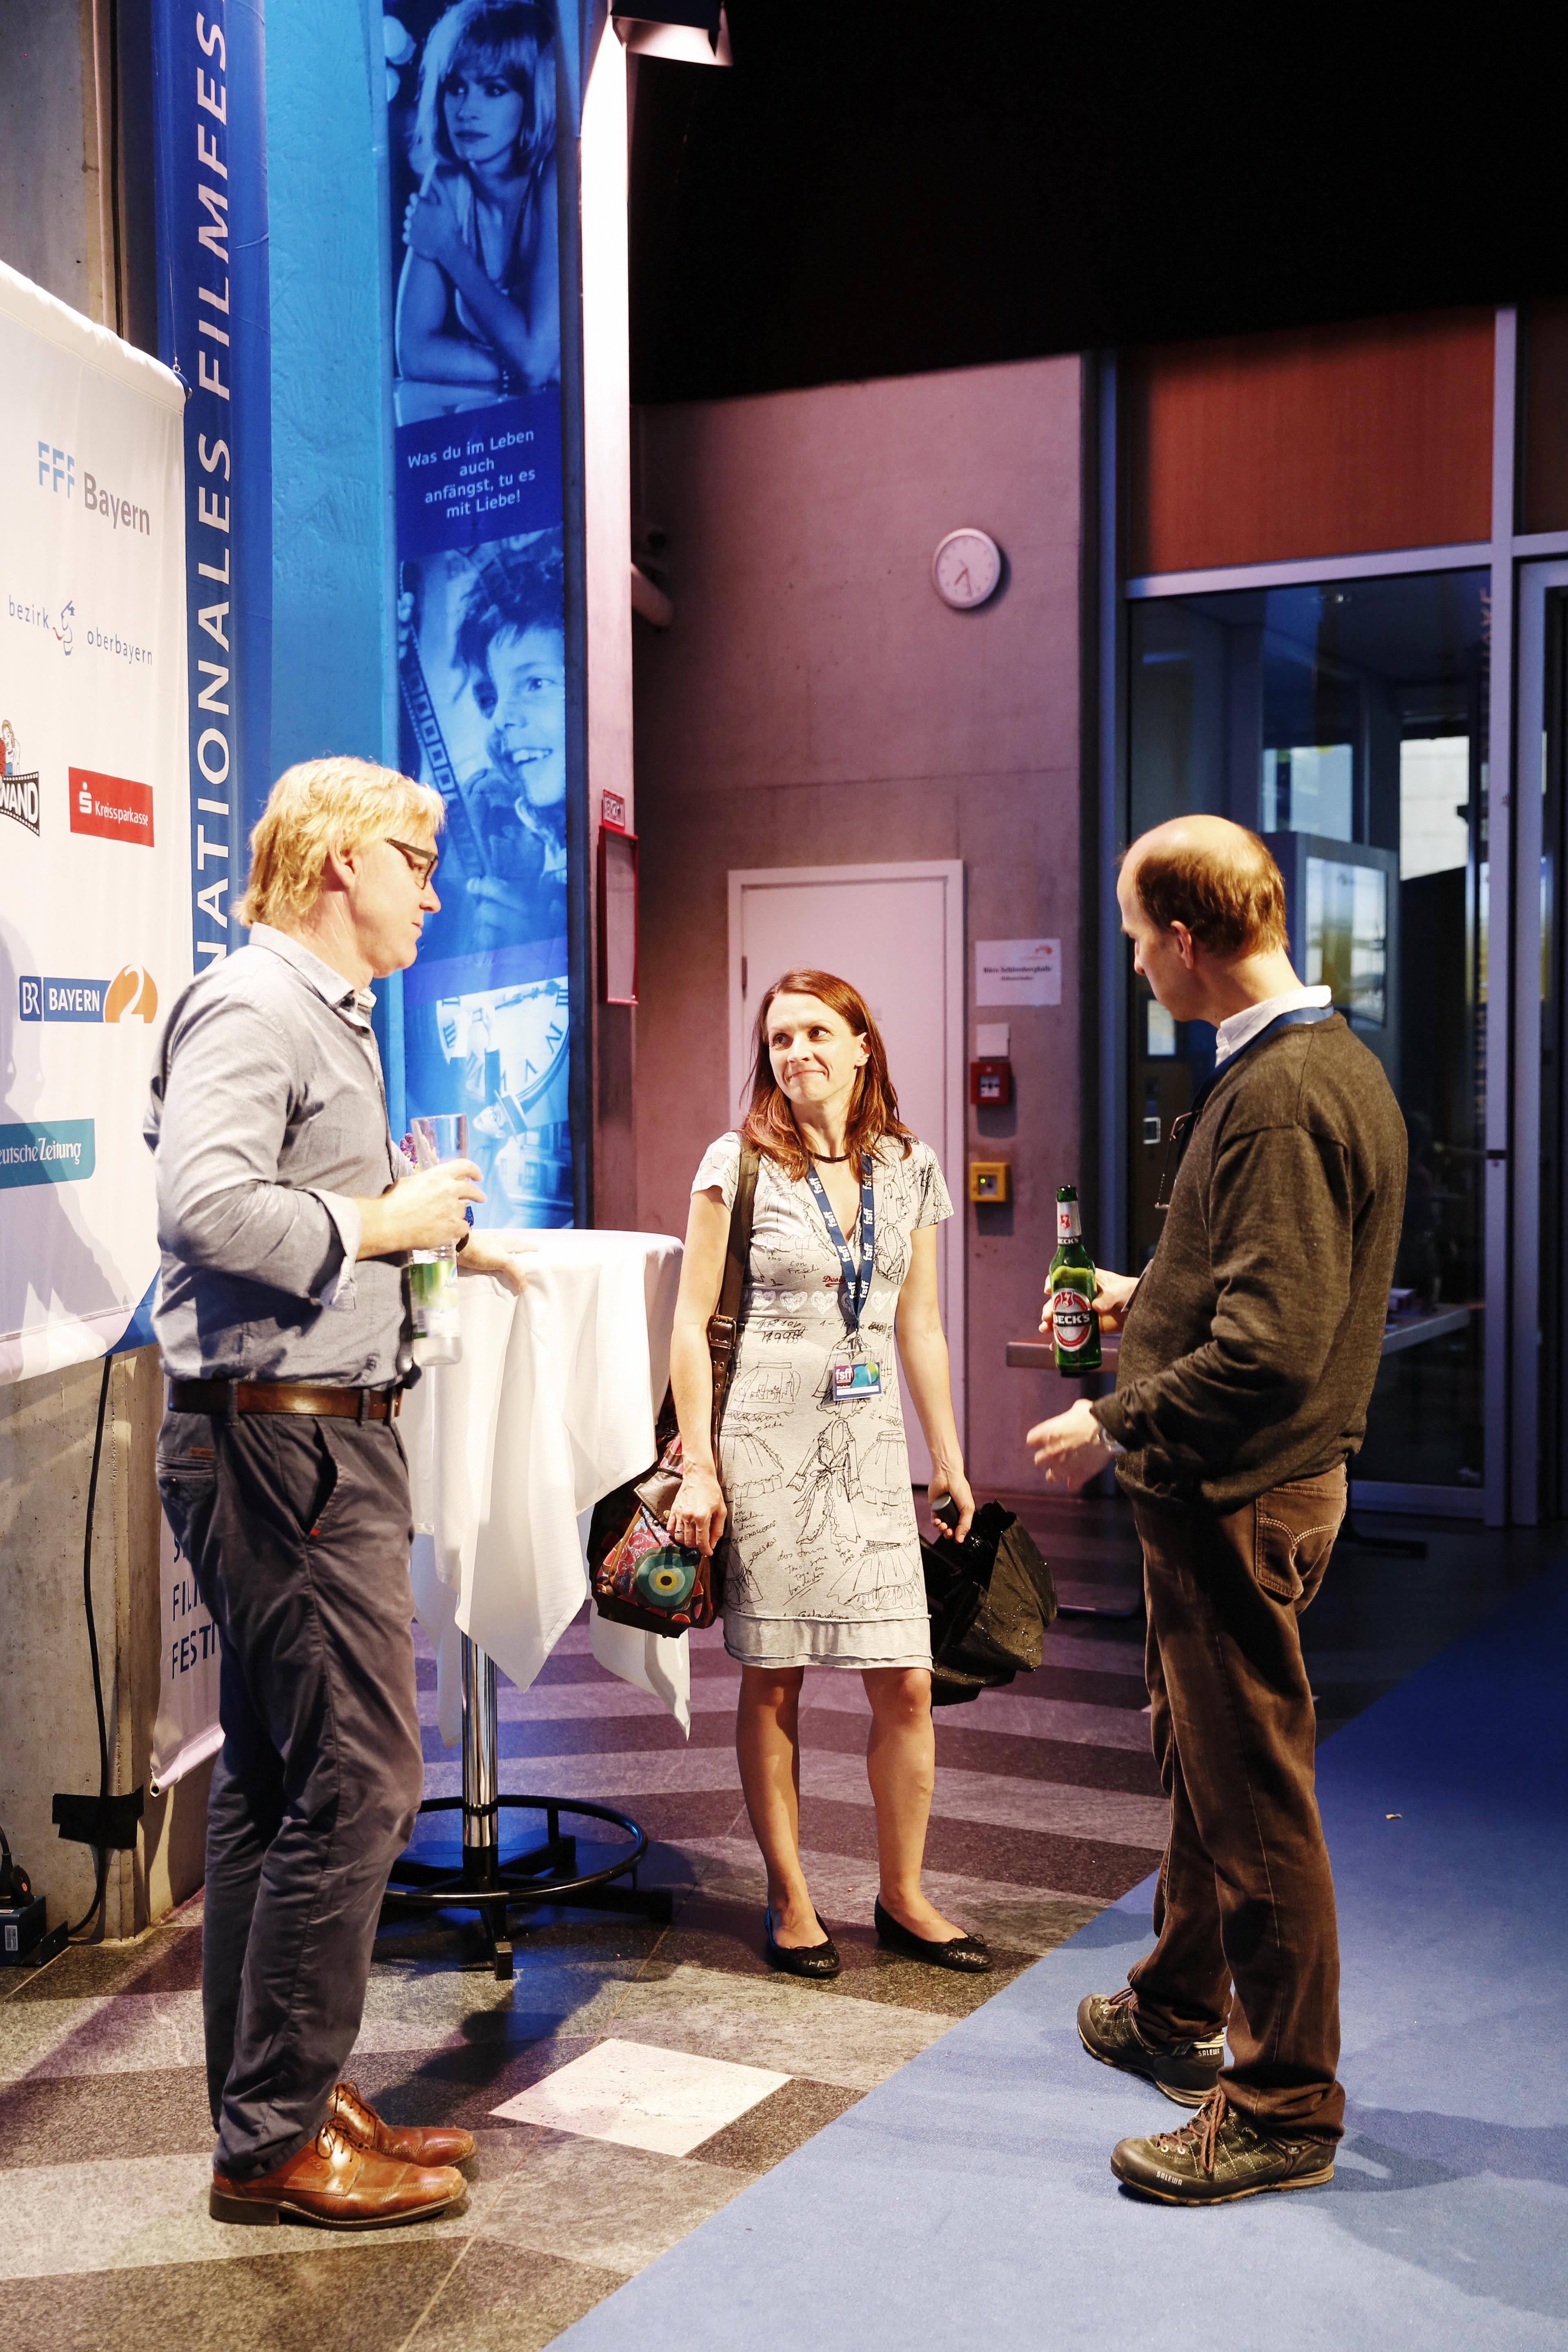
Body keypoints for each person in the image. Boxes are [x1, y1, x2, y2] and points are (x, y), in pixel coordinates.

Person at [147, 757, 526, 2228]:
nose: (434, 891)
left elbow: (290, 1205)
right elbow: (205, 1204)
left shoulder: (327, 1014)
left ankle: (277, 2103)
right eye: (414, 862)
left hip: (304, 1434)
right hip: (284, 1445)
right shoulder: (257, 1002)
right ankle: (273, 2138)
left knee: (277, 1781)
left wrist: (432, 1239)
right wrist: (379, 1221)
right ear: (338, 863)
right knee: (362, 1778)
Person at [1027, 817, 1406, 2205]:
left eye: (1139, 939)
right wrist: (1150, 1297)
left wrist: (1114, 1416)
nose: (1134, 963)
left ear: (1188, 941)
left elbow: (1274, 1347)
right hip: (1240, 1493)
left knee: (1252, 1799)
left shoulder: (1284, 1094)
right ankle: (1178, 2004)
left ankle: (1285, 2106)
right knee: (1207, 1761)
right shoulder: (1309, 1063)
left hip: (1241, 1495)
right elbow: (1264, 1287)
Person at [666, 969, 991, 1979]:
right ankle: (790, 1894)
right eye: (779, 1038)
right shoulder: (735, 1163)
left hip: (870, 1452)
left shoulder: (910, 1167)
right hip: (763, 1448)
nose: (796, 1051)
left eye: (816, 1032)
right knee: (774, 1677)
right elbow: (689, 1324)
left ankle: (903, 1894)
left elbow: (919, 1325)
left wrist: (948, 1456)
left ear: (861, 1046)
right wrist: (699, 1466)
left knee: (907, 1681)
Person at [395, 0, 559, 400]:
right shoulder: (448, 182)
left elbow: (535, 360)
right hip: (514, 413)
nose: (467, 110)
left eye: (494, 89)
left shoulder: (555, 177)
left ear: (531, 99)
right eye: (456, 87)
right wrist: (512, 368)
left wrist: (449, 248)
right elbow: (413, 353)